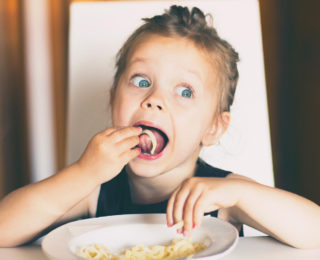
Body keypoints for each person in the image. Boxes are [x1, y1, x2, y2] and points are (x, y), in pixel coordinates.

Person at [0, 5, 319, 249]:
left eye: (184, 91)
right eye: (141, 81)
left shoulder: (222, 197)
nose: (154, 100)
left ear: (213, 128)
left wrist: (240, 193)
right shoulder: (95, 190)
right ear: (113, 102)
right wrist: (83, 173)